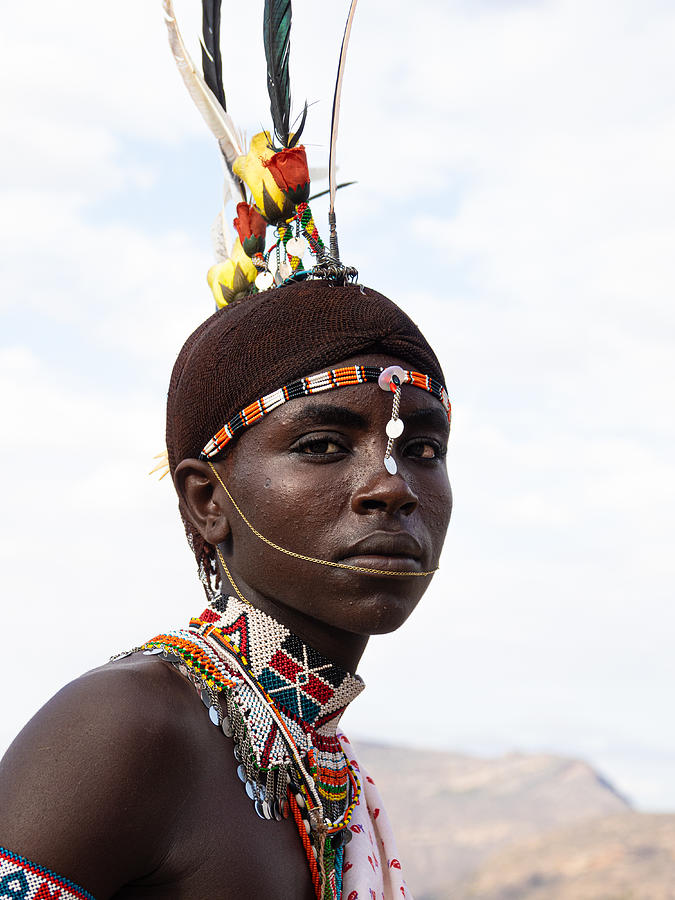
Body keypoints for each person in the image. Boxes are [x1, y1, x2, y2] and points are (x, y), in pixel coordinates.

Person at [0, 6, 453, 899]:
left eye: (422, 447)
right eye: (324, 444)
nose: (390, 486)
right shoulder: (130, 727)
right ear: (208, 501)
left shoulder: (327, 765)